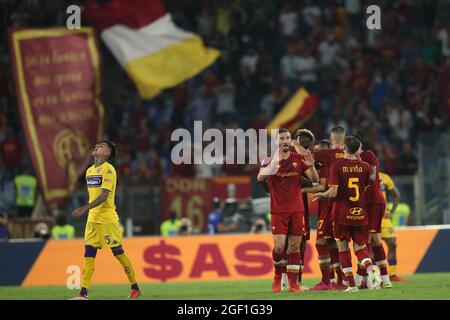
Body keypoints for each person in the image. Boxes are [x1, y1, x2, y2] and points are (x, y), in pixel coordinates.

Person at [70, 141, 141, 300]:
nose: (96, 146)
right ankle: (83, 293)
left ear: (107, 153)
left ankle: (135, 287)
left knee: (118, 253)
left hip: (107, 219)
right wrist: (88, 211)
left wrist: (84, 208)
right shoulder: (89, 171)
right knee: (88, 255)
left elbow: (103, 196)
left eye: (101, 146)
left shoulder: (109, 170)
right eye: (97, 145)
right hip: (92, 219)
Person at [313, 135, 382, 292]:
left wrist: (323, 195)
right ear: (358, 149)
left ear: (344, 148)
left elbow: (333, 191)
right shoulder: (364, 166)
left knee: (343, 249)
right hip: (359, 212)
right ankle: (371, 269)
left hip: (341, 214)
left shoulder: (336, 166)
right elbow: (367, 184)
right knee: (360, 247)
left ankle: (351, 285)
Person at [257, 128, 318, 293]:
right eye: (282, 138)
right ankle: (277, 276)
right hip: (278, 210)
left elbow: (315, 179)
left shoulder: (298, 159)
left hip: (297, 209)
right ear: (277, 141)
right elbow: (260, 178)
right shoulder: (269, 159)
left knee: (294, 246)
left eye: (287, 138)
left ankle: (293, 284)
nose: (285, 140)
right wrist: (274, 165)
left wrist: (311, 166)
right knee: (278, 247)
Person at [294, 126, 347, 289]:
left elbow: (322, 185)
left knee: (321, 243)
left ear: (331, 141)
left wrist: (294, 142)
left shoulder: (327, 157)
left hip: (329, 205)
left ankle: (326, 281)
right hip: (344, 204)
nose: (315, 151)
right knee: (333, 243)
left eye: (317, 149)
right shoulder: (348, 156)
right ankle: (340, 280)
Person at [358, 141, 392, 289]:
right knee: (371, 240)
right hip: (368, 202)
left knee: (370, 240)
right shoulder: (354, 161)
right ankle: (383, 279)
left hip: (372, 202)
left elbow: (371, 177)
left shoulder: (368, 155)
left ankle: (365, 278)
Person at [379, 171, 406, 282]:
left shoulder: (384, 177)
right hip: (370, 217)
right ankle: (373, 275)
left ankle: (392, 273)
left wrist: (392, 212)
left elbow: (396, 195)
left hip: (384, 218)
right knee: (372, 246)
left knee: (392, 243)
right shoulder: (362, 175)